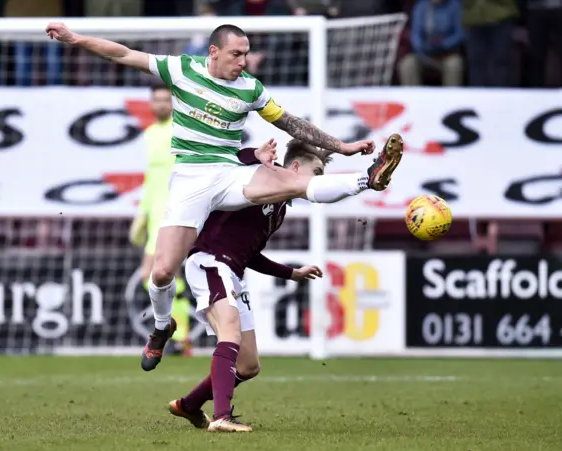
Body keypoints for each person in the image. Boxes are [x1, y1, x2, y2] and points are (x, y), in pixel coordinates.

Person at [45, 22, 403, 372]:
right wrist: (75, 39)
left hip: (229, 173)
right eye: (236, 54)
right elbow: (123, 54)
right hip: (190, 179)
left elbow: (292, 124)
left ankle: (367, 178)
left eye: (246, 54)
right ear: (213, 52)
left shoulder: (250, 89)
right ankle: (161, 326)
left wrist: (342, 146)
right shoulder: (182, 69)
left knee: (294, 183)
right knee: (162, 271)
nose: (243, 61)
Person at [168, 139, 329, 432]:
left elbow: (250, 253)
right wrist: (253, 155)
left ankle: (189, 405)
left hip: (233, 271)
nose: (318, 181)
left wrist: (292, 274)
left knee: (248, 365)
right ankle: (221, 417)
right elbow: (225, 164)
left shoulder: (279, 209)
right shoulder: (260, 174)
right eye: (316, 172)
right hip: (210, 262)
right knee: (229, 333)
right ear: (294, 167)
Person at [129, 82, 193, 356]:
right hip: (154, 213)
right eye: (157, 99)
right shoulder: (150, 134)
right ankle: (178, 333)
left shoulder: (181, 132)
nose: (161, 104)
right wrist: (142, 212)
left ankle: (179, 333)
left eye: (166, 100)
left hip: (173, 211)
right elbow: (151, 178)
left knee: (157, 273)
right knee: (159, 275)